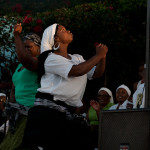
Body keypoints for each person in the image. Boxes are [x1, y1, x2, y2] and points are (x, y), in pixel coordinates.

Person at [20, 23, 108, 150]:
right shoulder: (50, 59)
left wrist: (103, 58)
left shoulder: (77, 58)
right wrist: (98, 55)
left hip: (64, 114)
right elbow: (76, 71)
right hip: (46, 115)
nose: (68, 30)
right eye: (63, 30)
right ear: (56, 39)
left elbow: (96, 73)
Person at [0, 30, 41, 150]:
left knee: (19, 144)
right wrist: (12, 103)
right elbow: (14, 86)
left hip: (31, 110)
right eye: (24, 47)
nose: (26, 49)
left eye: (29, 46)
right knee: (8, 144)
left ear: (38, 47)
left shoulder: (38, 62)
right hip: (18, 110)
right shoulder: (20, 65)